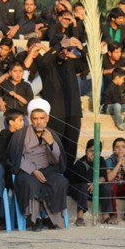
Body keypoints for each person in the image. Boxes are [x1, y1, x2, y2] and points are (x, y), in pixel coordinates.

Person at [8, 98, 69, 231]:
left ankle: (51, 218)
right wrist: (33, 171)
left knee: (60, 181)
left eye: (42, 118)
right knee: (31, 183)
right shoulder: (20, 135)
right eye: (35, 118)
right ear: (30, 118)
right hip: (27, 171)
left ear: (47, 118)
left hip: (48, 169)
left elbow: (56, 161)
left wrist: (51, 144)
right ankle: (35, 219)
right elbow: (17, 157)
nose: (39, 121)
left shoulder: (52, 135)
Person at [37, 35, 84, 170]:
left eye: (67, 49)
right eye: (62, 49)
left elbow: (87, 64)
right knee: (54, 149)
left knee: (71, 151)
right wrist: (60, 46)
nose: (64, 52)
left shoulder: (70, 63)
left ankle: (67, 182)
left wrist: (82, 48)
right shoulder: (46, 65)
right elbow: (43, 61)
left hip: (73, 113)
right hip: (56, 114)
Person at [69, 139, 113, 227]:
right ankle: (80, 217)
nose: (93, 154)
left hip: (93, 188)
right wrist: (97, 178)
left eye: (96, 152)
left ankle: (105, 216)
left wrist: (97, 182)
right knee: (84, 186)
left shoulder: (101, 160)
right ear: (86, 151)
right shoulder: (80, 163)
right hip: (78, 190)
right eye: (91, 151)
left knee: (107, 187)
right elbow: (86, 179)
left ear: (100, 153)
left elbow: (104, 177)